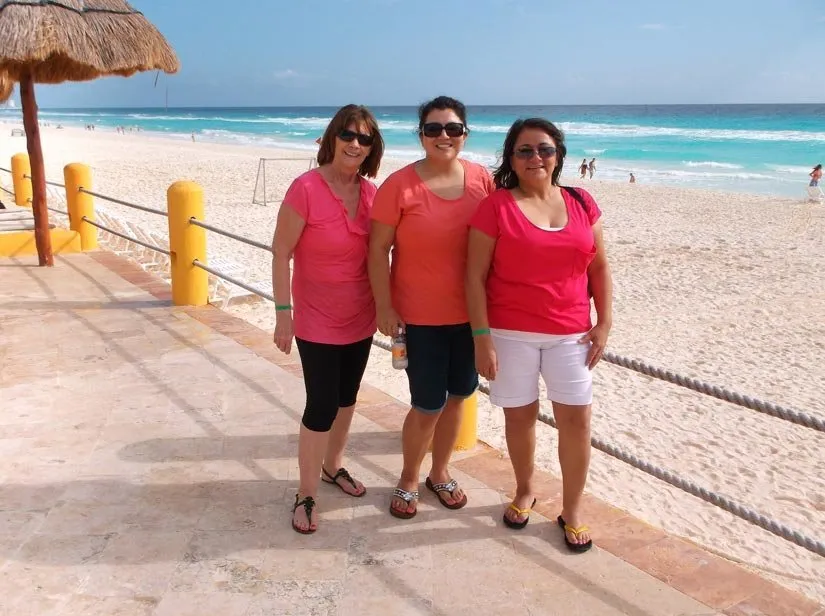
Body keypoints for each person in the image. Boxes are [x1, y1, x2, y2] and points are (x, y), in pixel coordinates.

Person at [466, 117, 613, 553]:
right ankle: (525, 489)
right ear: (511, 158)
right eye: (525, 150)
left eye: (545, 149)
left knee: (577, 422)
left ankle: (572, 509)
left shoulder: (582, 202)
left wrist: (603, 322)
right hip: (510, 332)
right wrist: (481, 337)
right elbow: (474, 276)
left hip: (572, 334)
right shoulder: (496, 206)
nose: (536, 158)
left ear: (558, 156)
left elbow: (599, 266)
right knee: (520, 417)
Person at [369, 95, 495, 519]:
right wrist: (384, 307)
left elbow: (499, 243)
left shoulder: (481, 179)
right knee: (426, 405)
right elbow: (376, 250)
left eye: (453, 128)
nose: (444, 136)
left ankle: (439, 473)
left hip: (471, 317)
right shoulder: (399, 185)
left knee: (460, 396)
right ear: (421, 134)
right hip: (419, 318)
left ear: (465, 134)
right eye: (434, 128)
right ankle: (408, 478)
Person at [272, 104, 385, 534]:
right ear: (332, 139)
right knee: (320, 404)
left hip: (360, 315)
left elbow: (383, 254)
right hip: (316, 318)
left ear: (372, 148)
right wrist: (285, 314)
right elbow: (281, 252)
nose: (355, 144)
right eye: (348, 135)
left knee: (347, 396)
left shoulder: (372, 194)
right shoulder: (305, 188)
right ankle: (306, 492)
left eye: (364, 139)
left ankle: (333, 466)